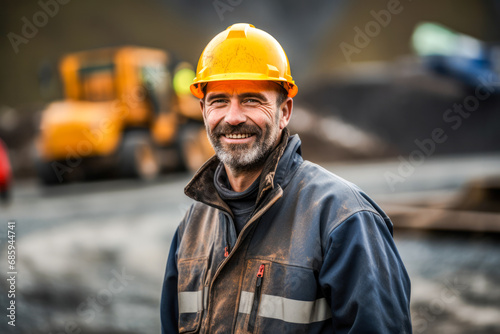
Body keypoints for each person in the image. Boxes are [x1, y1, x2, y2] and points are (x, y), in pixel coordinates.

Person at [161, 23, 412, 333]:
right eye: (219, 101)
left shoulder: (343, 217)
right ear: (202, 111)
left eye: (252, 100)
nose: (234, 117)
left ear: (285, 112)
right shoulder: (191, 227)